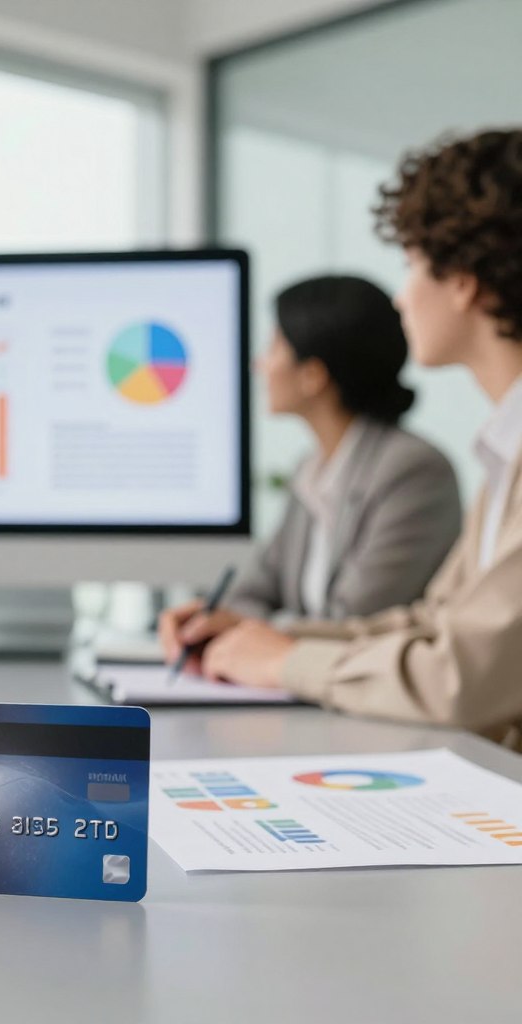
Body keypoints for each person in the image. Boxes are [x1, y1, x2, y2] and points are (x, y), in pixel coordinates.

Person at [164, 128, 522, 749]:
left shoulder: (433, 464)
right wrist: (254, 636)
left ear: (465, 281)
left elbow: (461, 675)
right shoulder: (503, 450)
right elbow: (434, 625)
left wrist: (283, 661)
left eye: (411, 265)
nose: (402, 297)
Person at [160, 274, 460, 653]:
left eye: (274, 348)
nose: (260, 364)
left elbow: (359, 621)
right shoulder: (312, 469)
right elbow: (254, 590)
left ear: (313, 375)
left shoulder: (413, 471)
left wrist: (247, 627)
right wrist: (213, 618)